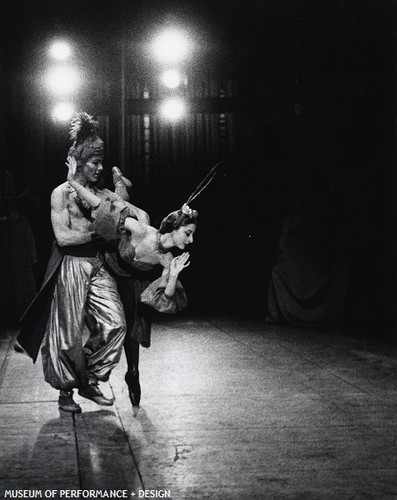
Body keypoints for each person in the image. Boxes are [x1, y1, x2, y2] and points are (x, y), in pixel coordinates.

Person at [17, 112, 148, 414]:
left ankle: (87, 378)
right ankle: (66, 393)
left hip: (98, 266)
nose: (100, 167)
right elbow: (63, 238)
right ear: (77, 161)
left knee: (116, 325)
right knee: (67, 335)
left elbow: (138, 215)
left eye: (102, 162)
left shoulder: (101, 194)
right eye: (94, 162)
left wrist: (136, 219)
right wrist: (100, 227)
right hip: (70, 267)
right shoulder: (60, 194)